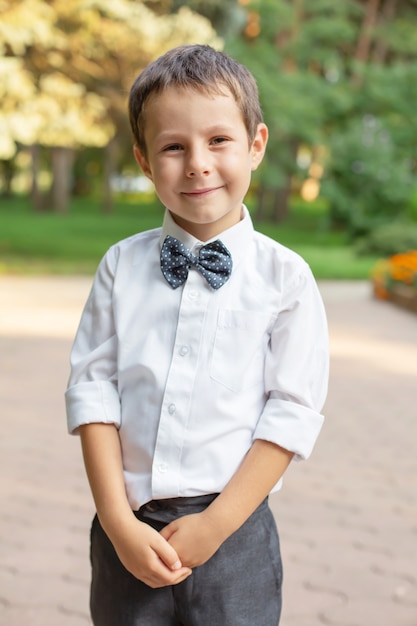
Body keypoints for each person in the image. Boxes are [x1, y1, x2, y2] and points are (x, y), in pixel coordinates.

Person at [65, 44, 329, 626]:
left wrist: (216, 525)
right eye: (173, 147)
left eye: (218, 141)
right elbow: (93, 394)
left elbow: (290, 412)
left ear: (255, 145)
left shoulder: (285, 279)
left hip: (234, 531)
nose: (197, 164)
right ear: (143, 159)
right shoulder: (119, 267)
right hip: (129, 529)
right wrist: (117, 523)